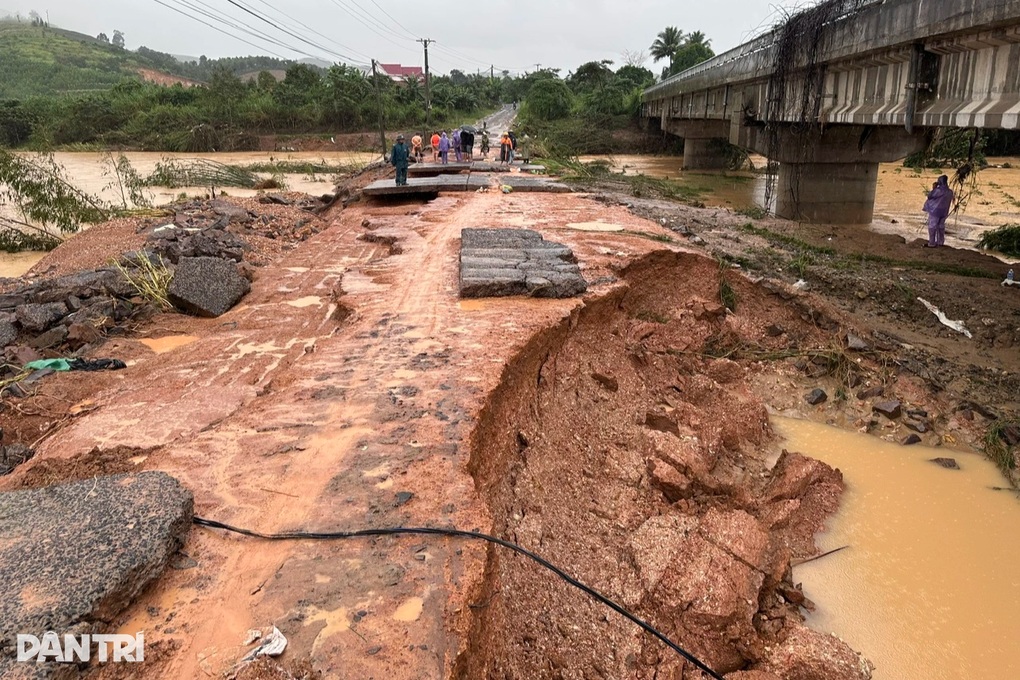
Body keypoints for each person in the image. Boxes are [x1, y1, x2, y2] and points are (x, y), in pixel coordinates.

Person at [922, 174, 954, 248]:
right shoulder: (950, 192)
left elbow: (930, 196)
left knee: (932, 226)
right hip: (944, 211)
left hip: (935, 211)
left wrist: (934, 188)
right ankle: (940, 242)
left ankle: (932, 243)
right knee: (941, 226)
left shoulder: (938, 191)